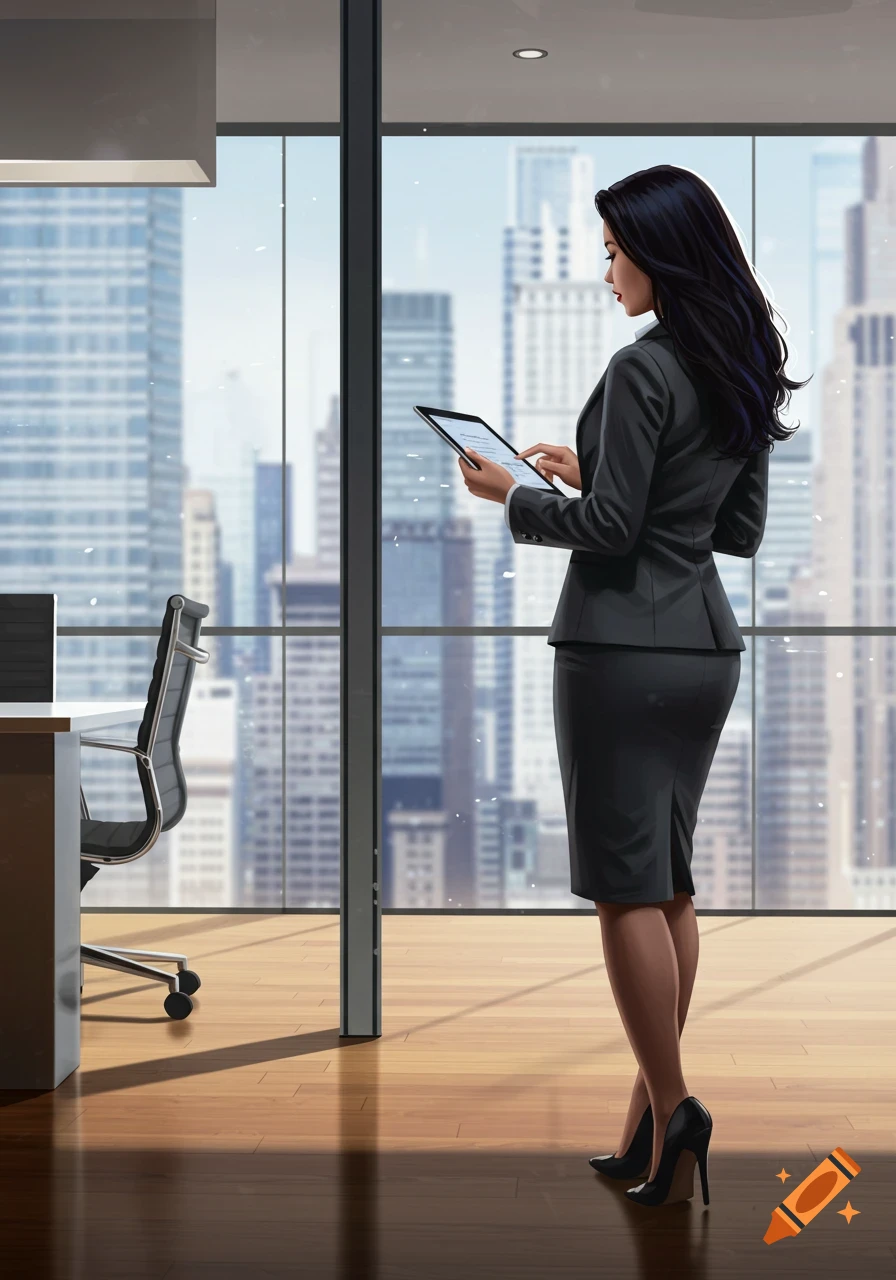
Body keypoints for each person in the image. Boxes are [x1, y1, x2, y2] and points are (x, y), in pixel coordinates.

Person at [457, 163, 807, 1207]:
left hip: (615, 650)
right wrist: (589, 468)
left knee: (621, 889)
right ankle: (649, 1125)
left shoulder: (638, 368)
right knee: (668, 883)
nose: (605, 268)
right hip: (701, 649)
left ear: (658, 250)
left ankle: (679, 1105)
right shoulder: (741, 361)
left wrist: (514, 494)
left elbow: (614, 532)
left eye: (614, 249)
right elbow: (729, 533)